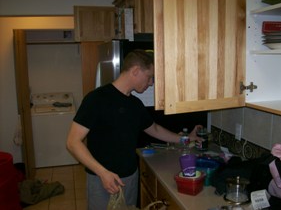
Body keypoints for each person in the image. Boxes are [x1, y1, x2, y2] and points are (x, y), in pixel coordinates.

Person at [66, 49, 203, 210]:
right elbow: (73, 142)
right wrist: (103, 173)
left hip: (130, 177)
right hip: (102, 180)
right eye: (150, 77)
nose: (151, 82)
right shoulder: (96, 99)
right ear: (136, 71)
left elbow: (155, 129)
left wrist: (186, 139)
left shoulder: (135, 104)